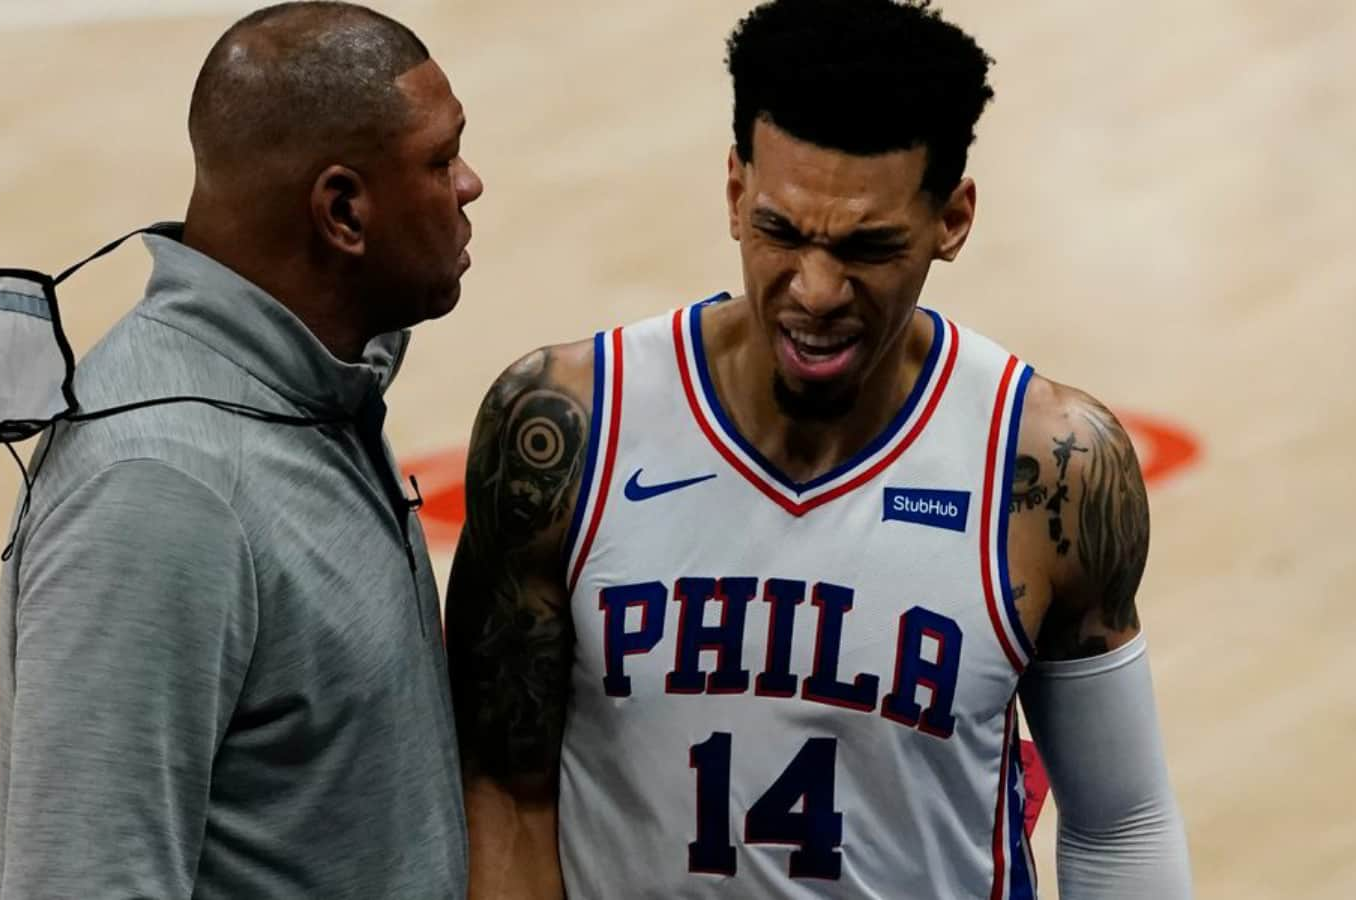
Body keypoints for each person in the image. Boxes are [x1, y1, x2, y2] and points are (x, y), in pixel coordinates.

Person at [444, 0, 1190, 897]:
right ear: (733, 192)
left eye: (867, 247)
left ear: (952, 219)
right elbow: (505, 794)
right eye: (781, 232)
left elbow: (1121, 824)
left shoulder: (1051, 469)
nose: (816, 290)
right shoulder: (568, 429)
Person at [0, 2, 482, 897]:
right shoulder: (158, 489)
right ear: (343, 210)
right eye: (440, 161)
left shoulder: (305, 396)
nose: (470, 184)